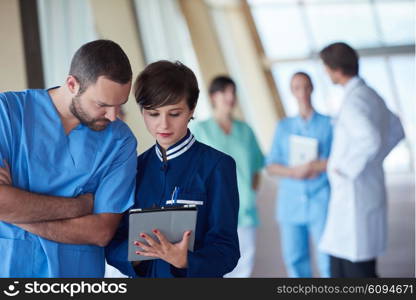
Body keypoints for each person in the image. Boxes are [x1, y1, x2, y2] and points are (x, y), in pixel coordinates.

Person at [0, 39, 137, 277]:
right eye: (102, 105)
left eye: (120, 105)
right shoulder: (8, 113)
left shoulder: (120, 141)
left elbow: (101, 231)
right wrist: (78, 206)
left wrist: (16, 213)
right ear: (72, 84)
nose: (113, 116)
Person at [106, 61, 240, 277]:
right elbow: (114, 241)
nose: (164, 125)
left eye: (174, 114)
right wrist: (136, 257)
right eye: (153, 114)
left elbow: (227, 249)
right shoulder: (132, 169)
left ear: (191, 110)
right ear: (142, 112)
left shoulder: (218, 166)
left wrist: (186, 260)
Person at [318, 42, 405, 277]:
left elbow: (371, 139)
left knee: (356, 269)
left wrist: (342, 168)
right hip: (364, 187)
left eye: (326, 68)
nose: (325, 73)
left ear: (335, 69)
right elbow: (397, 129)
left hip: (353, 193)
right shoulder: (370, 94)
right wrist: (375, 160)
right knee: (346, 263)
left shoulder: (354, 101)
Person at [191, 75, 264, 277]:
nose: (230, 96)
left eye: (233, 92)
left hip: (244, 210)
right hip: (212, 212)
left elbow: (257, 168)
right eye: (225, 92)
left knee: (244, 267)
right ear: (214, 96)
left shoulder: (245, 130)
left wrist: (249, 194)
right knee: (215, 269)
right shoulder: (200, 129)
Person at [266, 72, 332, 278]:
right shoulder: (283, 127)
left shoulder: (328, 124)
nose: (302, 92)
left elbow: (337, 160)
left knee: (327, 257)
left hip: (320, 198)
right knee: (294, 258)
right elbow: (271, 165)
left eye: (306, 86)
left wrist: (315, 167)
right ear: (292, 92)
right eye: (297, 88)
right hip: (290, 202)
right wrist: (293, 172)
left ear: (312, 88)